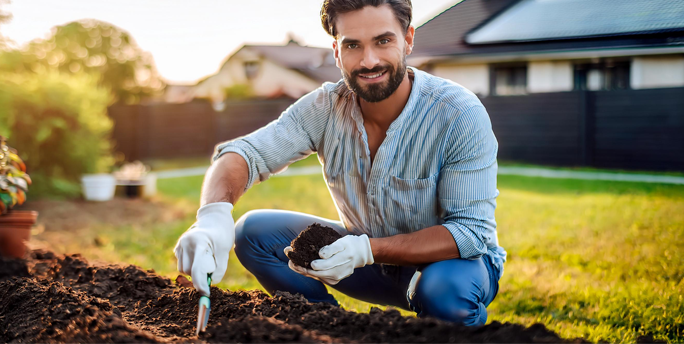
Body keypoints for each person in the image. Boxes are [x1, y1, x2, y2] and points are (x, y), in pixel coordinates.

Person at [174, 0, 506, 326]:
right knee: (253, 233)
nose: (369, 60)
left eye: (383, 40)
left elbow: (470, 233)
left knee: (444, 292)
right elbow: (245, 154)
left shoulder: (458, 114)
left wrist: (367, 250)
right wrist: (212, 217)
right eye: (352, 45)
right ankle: (330, 328)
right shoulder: (324, 108)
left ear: (407, 39)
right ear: (336, 51)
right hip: (362, 262)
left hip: (452, 268)